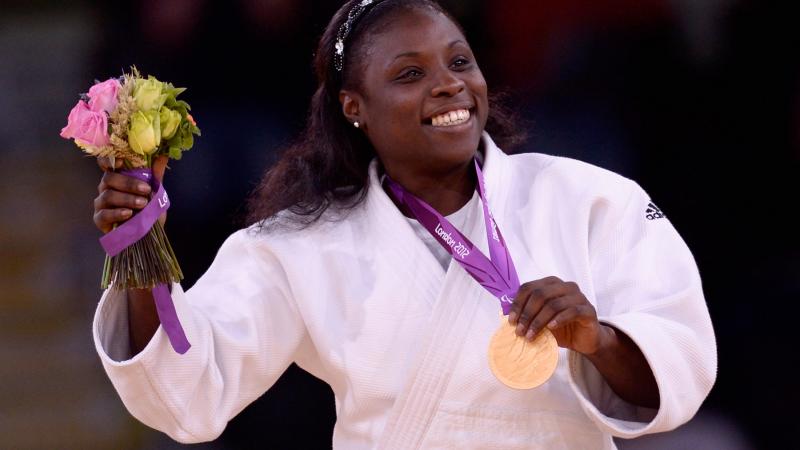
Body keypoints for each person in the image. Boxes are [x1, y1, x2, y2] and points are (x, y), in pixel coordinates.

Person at [91, 0, 717, 448]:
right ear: (353, 107)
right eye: (410, 74)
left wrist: (598, 341)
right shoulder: (301, 246)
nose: (450, 86)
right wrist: (141, 252)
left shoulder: (588, 198)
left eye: (460, 62)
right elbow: (188, 389)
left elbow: (683, 354)